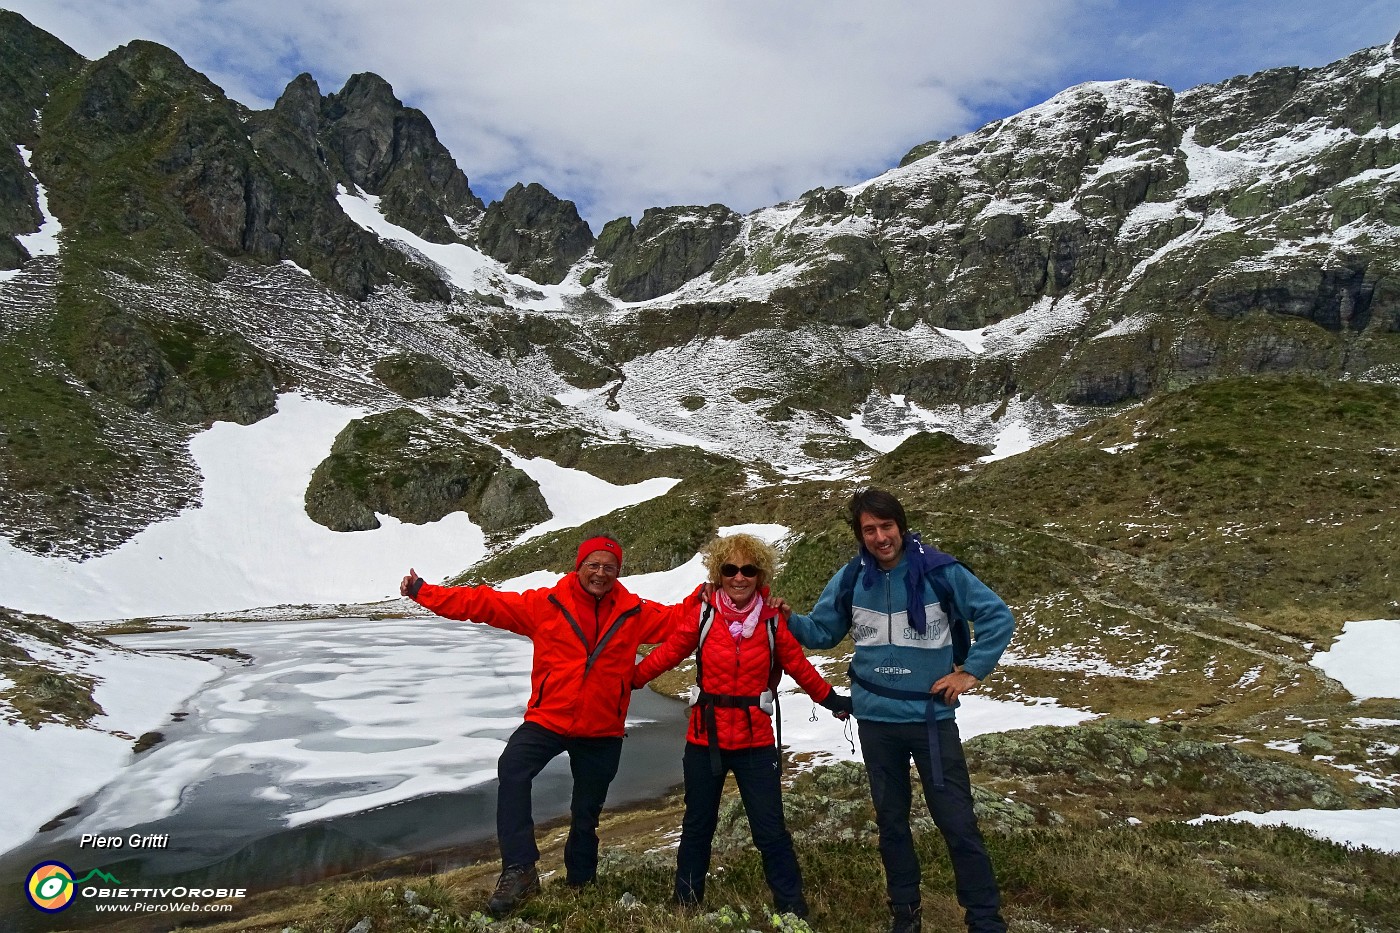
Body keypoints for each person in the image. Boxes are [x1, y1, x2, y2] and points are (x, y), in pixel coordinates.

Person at [400, 535, 691, 916]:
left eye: (609, 567)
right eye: (594, 565)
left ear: (618, 572)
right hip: (548, 719)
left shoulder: (634, 612)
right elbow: (484, 603)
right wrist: (424, 592)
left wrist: (714, 590)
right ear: (579, 566)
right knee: (514, 768)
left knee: (586, 812)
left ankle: (581, 881)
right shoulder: (546, 604)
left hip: (602, 728)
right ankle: (520, 869)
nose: (600, 573)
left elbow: (678, 620)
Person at [782, 489, 1015, 933]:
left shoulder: (941, 572)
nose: (879, 537)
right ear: (860, 535)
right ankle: (905, 916)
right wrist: (789, 617)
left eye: (886, 526)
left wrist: (971, 672)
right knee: (891, 825)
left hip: (931, 721)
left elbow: (997, 617)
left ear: (901, 527)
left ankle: (985, 921)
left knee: (958, 823)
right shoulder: (852, 577)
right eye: (869, 529)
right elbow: (823, 632)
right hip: (875, 723)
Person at [631, 533, 853, 919]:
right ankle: (686, 905)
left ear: (760, 575)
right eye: (730, 569)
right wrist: (626, 682)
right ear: (718, 574)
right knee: (698, 825)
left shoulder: (772, 621)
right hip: (705, 739)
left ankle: (792, 909)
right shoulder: (701, 615)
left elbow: (799, 667)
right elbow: (666, 654)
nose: (739, 577)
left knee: (770, 830)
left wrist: (832, 701)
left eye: (748, 570)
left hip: (755, 742)